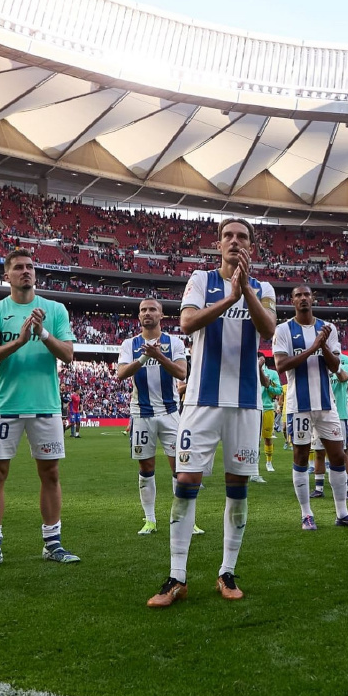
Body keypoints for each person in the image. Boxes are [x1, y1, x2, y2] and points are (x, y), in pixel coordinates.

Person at [147, 218, 276, 607]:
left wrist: (246, 291)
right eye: (228, 236)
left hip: (245, 403)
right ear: (218, 244)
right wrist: (229, 298)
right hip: (201, 401)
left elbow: (267, 329)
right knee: (186, 481)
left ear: (252, 246)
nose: (235, 242)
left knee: (238, 486)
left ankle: (226, 571)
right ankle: (176, 576)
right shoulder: (201, 281)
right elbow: (186, 323)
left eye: (242, 237)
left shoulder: (264, 288)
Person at [0, 248, 80, 569]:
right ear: (7, 276)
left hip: (45, 405)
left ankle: (53, 543)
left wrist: (43, 334)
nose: (26, 271)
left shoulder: (55, 309)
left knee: (50, 473)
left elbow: (68, 355)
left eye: (30, 267)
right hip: (4, 405)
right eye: (18, 267)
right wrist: (19, 341)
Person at [274, 285, 348, 532]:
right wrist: (313, 347)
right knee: (300, 456)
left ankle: (342, 513)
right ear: (292, 300)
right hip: (299, 405)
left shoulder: (329, 329)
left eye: (307, 295)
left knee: (338, 455)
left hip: (327, 404)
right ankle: (306, 514)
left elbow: (335, 365)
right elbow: (281, 365)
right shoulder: (283, 330)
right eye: (298, 295)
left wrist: (324, 345)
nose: (303, 299)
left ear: (312, 299)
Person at [118, 298, 202, 536]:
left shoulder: (173, 342)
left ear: (161, 315)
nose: (147, 313)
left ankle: (186, 519)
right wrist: (144, 357)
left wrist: (158, 355)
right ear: (139, 316)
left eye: (152, 309)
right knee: (146, 467)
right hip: (141, 414)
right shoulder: (129, 344)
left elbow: (181, 371)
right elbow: (121, 374)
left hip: (170, 414)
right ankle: (150, 520)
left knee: (181, 468)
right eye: (143, 310)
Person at [310, 351, 348, 498]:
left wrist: (338, 367)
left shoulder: (343, 363)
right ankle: (319, 489)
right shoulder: (316, 362)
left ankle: (345, 489)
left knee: (342, 453)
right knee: (318, 452)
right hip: (318, 413)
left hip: (339, 414)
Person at [258, 352, 282, 473]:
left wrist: (268, 386)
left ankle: (269, 462)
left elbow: (279, 390)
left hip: (267, 408)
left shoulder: (272, 374)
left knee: (267, 437)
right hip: (252, 408)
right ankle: (254, 464)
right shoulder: (248, 371)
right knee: (253, 439)